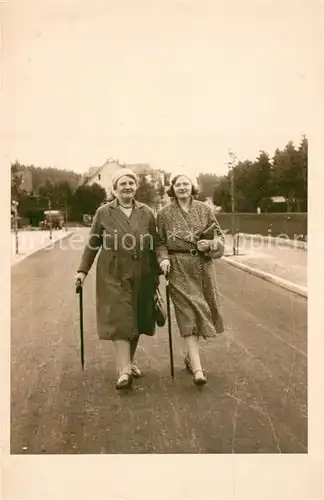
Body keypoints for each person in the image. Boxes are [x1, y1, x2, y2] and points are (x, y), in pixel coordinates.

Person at [74, 168, 160, 390]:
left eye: (131, 183)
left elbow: (156, 243)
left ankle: (128, 362)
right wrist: (82, 271)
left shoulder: (147, 212)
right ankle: (124, 371)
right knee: (121, 318)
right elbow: (93, 243)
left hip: (142, 271)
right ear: (114, 189)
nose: (127, 187)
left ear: (136, 188)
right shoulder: (103, 212)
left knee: (138, 317)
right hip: (113, 272)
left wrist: (160, 270)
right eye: (123, 184)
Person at [156, 170, 225, 386]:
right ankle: (198, 369)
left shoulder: (205, 210)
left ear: (192, 187)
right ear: (172, 189)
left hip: (203, 268)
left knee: (201, 311)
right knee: (187, 314)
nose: (182, 188)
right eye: (178, 185)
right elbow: (159, 242)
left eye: (186, 184)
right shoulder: (164, 214)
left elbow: (220, 237)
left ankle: (189, 356)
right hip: (178, 269)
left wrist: (211, 245)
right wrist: (164, 259)